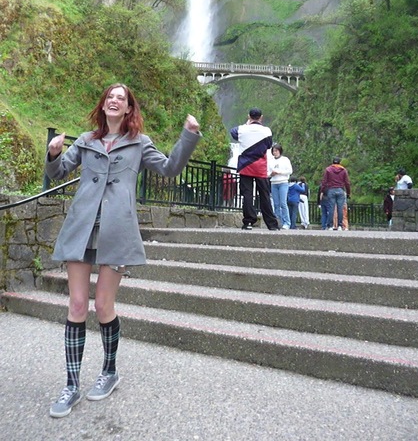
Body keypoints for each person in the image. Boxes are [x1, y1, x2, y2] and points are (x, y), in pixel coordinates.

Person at [45, 83, 201, 418]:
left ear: (129, 109)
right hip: (81, 228)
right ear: (103, 106)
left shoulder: (139, 143)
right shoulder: (86, 141)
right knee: (75, 303)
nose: (115, 101)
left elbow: (170, 168)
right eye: (110, 97)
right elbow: (56, 173)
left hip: (117, 231)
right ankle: (71, 385)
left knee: (102, 305)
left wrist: (188, 135)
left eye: (122, 99)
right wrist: (54, 152)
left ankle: (109, 371)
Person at [230, 108, 279, 231]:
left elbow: (233, 132)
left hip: (245, 167)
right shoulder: (266, 131)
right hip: (260, 167)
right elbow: (268, 145)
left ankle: (248, 222)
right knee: (264, 195)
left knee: (247, 194)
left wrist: (247, 124)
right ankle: (272, 224)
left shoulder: (241, 129)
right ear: (261, 117)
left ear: (249, 116)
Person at [321, 157, 351, 231]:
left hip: (331, 190)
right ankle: (340, 226)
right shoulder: (343, 170)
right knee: (340, 209)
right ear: (339, 162)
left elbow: (324, 182)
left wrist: (322, 191)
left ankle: (330, 226)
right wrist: (348, 192)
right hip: (340, 190)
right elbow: (347, 182)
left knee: (331, 208)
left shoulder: (328, 170)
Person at [269, 143, 293, 229]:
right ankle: (278, 221)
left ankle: (287, 222)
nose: (275, 152)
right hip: (274, 183)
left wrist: (280, 172)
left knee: (283, 203)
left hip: (283, 182)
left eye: (276, 151)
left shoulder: (285, 160)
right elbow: (267, 173)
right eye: (273, 151)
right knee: (276, 204)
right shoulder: (271, 161)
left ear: (280, 151)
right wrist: (271, 174)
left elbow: (290, 171)